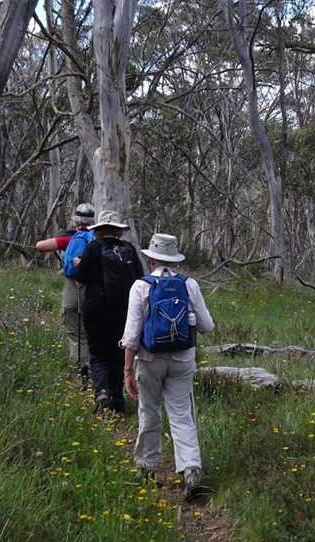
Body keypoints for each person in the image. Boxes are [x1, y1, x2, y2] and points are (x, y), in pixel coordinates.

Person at [121, 233, 215, 501]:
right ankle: (191, 470)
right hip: (183, 359)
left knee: (149, 412)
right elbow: (208, 327)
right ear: (174, 259)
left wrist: (128, 370)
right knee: (182, 414)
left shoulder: (140, 286)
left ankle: (146, 468)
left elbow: (131, 334)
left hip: (149, 360)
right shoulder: (189, 285)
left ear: (150, 258)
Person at [74, 210, 143, 414]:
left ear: (99, 231)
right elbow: (140, 279)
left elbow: (79, 281)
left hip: (95, 309)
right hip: (124, 310)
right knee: (118, 353)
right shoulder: (129, 249)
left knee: (97, 352)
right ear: (118, 232)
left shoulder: (93, 248)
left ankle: (101, 390)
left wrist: (79, 264)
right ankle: (117, 399)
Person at [35, 203, 95, 385]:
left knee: (76, 334)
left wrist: (63, 238)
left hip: (74, 291)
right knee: (91, 333)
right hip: (95, 292)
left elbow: (40, 246)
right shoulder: (96, 239)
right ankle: (96, 374)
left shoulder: (71, 238)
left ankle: (81, 375)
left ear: (75, 220)